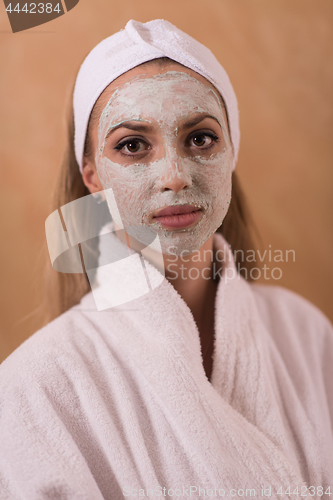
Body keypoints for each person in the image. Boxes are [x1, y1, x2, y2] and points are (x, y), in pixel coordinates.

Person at [0, 19, 332, 500]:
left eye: (200, 138)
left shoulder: (305, 332)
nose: (175, 176)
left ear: (231, 152)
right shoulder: (31, 390)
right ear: (92, 177)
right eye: (133, 146)